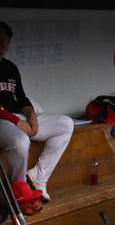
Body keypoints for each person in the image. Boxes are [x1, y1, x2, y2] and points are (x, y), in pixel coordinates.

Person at [0, 22, 75, 203]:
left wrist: (31, 115)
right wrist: (16, 121)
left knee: (65, 125)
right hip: (2, 121)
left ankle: (38, 177)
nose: (2, 42)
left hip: (17, 118)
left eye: (5, 39)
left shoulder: (10, 68)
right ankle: (16, 190)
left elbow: (22, 98)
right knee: (21, 141)